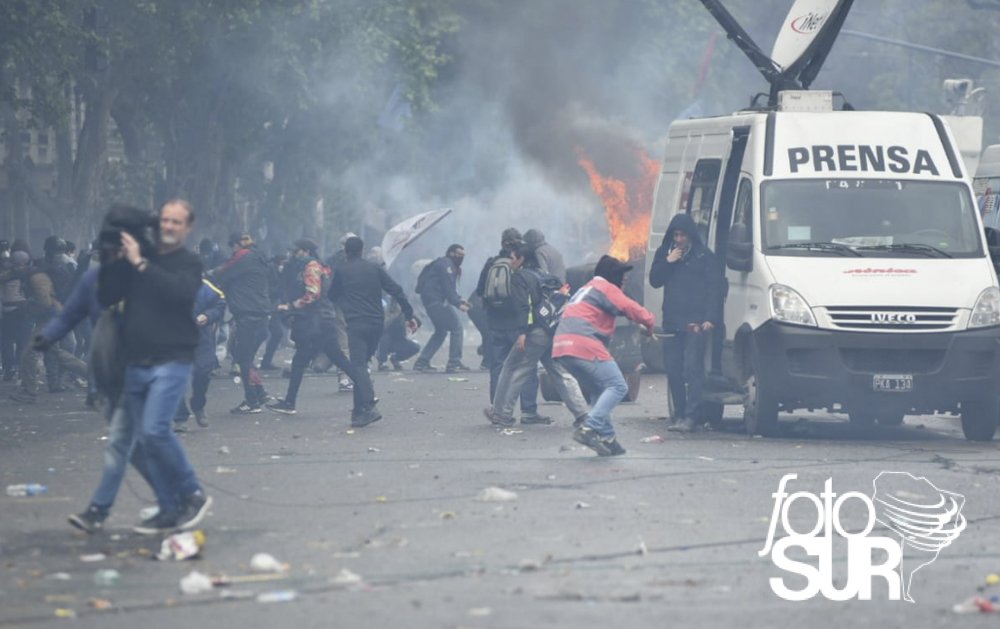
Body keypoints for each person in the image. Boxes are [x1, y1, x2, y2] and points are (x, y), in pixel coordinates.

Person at [97, 199, 212, 534]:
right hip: (136, 360)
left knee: (155, 430)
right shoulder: (136, 259)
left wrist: (142, 265)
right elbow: (107, 296)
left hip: (171, 358)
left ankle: (192, 492)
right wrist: (119, 262)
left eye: (177, 222)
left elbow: (180, 294)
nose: (170, 227)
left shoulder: (188, 262)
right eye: (165, 221)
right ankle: (168, 506)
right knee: (145, 441)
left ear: (188, 228)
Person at [553, 255, 655, 456]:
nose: (624, 281)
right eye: (622, 277)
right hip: (582, 342)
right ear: (611, 275)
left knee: (599, 389)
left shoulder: (586, 288)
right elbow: (630, 307)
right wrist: (650, 323)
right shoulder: (605, 287)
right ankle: (589, 427)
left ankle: (608, 438)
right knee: (618, 386)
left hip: (562, 346)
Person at [484, 243, 588, 427]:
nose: (510, 262)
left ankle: (501, 414)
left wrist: (522, 332)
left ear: (522, 259)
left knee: (513, 369)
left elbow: (523, 307)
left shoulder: (519, 278)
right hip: (552, 329)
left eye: (513, 258)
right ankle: (582, 414)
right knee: (559, 372)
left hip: (535, 332)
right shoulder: (544, 275)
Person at [330, 236, 418, 427]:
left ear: (346, 251)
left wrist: (346, 301)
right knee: (362, 364)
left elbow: (332, 295)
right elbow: (397, 290)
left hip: (356, 323)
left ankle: (369, 403)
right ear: (362, 250)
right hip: (377, 324)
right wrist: (409, 313)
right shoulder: (374, 268)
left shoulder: (342, 270)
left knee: (359, 365)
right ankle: (358, 413)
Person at [648, 213, 724, 433]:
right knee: (673, 370)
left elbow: (714, 289)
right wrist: (668, 262)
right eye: (676, 235)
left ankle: (692, 416)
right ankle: (679, 414)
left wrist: (710, 318)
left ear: (690, 236)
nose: (679, 239)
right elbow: (655, 280)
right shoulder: (665, 253)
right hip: (672, 320)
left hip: (695, 321)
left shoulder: (703, 256)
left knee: (693, 369)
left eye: (683, 235)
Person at [266, 239, 358, 415]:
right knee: (338, 358)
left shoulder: (311, 266)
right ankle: (367, 391)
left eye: (295, 250)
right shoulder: (311, 266)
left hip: (315, 322)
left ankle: (289, 402)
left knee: (300, 361)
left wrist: (290, 306)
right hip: (321, 321)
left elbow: (312, 294)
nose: (292, 253)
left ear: (304, 251)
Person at [476, 228, 541, 417]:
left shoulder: (491, 264)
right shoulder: (519, 265)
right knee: (527, 366)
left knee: (498, 367)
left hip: (495, 325)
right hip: (517, 325)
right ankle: (529, 410)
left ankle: (497, 409)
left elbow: (480, 291)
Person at [212, 231, 272, 413]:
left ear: (236, 244)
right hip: (260, 314)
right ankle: (260, 393)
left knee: (242, 358)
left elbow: (221, 273)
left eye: (232, 246)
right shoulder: (259, 258)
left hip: (249, 315)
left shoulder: (242, 257)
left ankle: (252, 401)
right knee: (244, 356)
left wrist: (202, 275)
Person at [174, 278, 226, 429]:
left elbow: (220, 302)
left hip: (200, 337)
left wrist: (208, 316)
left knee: (203, 372)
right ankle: (179, 417)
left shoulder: (203, 285)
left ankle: (198, 405)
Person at [413, 244, 469, 373]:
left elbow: (448, 288)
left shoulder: (443, 263)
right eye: (459, 255)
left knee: (441, 331)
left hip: (431, 301)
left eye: (463, 256)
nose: (461, 258)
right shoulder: (446, 265)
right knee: (457, 328)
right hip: (437, 302)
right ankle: (453, 362)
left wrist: (459, 299)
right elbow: (447, 287)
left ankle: (422, 362)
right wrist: (457, 303)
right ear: (451, 253)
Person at [1, 250, 32, 382]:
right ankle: (20, 370)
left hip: (5, 311)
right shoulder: (25, 273)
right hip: (20, 311)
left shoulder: (5, 273)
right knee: (22, 341)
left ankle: (10, 369)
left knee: (6, 342)